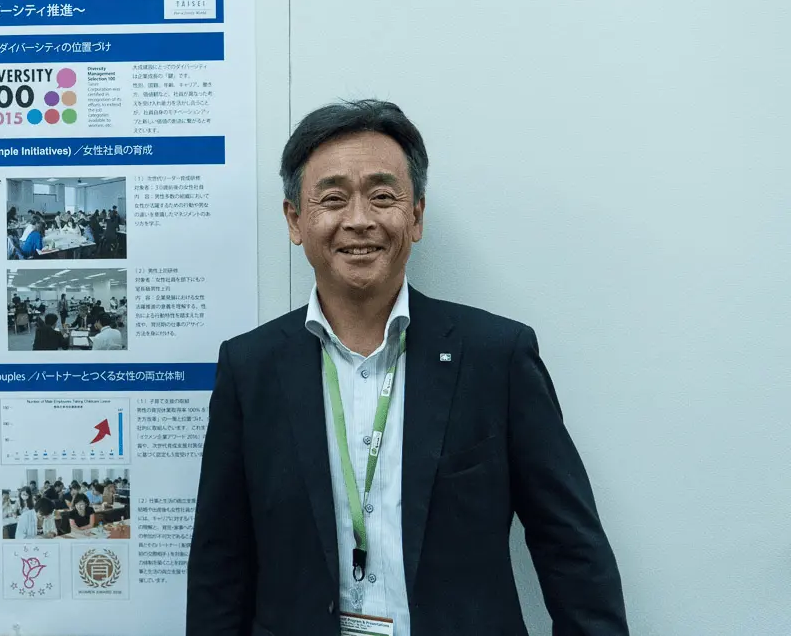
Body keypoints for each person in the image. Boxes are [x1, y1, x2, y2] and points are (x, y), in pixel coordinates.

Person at [187, 100, 627, 636]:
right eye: (332, 198)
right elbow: (220, 564)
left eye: (382, 196)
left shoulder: (496, 356)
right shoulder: (250, 367)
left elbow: (571, 549)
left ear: (415, 216)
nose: (359, 220)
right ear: (295, 220)